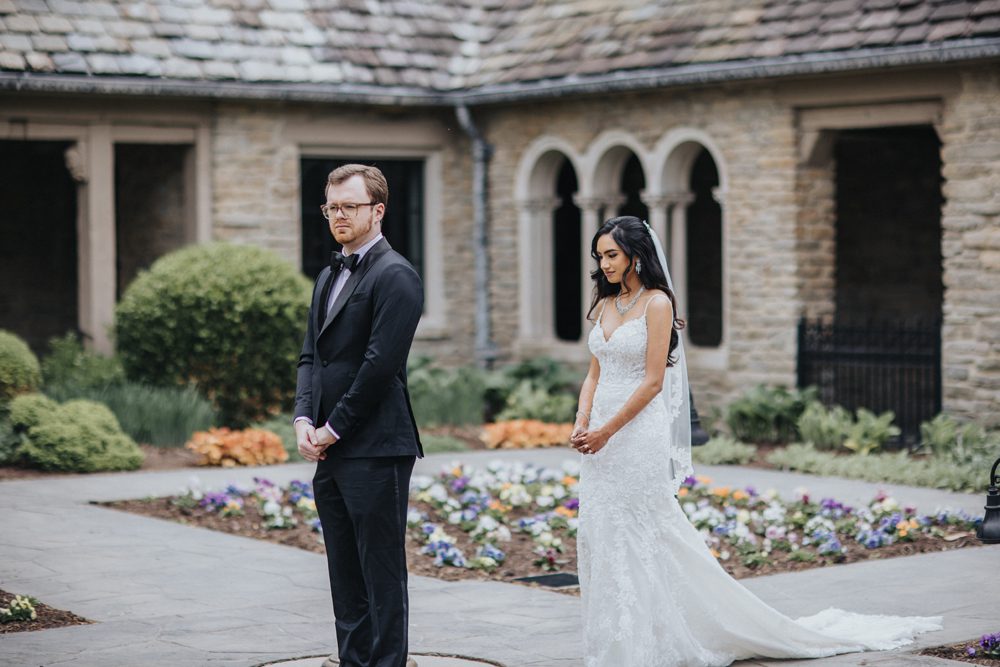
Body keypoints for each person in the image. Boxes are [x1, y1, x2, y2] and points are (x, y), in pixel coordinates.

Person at [569, 216, 941, 667]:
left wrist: (608, 431)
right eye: (600, 256)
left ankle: (656, 641)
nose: (604, 263)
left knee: (644, 533)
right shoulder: (606, 304)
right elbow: (594, 373)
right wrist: (583, 421)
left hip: (633, 434)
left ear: (635, 254)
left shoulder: (657, 304)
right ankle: (618, 640)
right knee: (603, 532)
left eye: (611, 254)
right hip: (598, 437)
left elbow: (651, 383)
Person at [294, 164, 423, 667]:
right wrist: (304, 419)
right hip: (328, 445)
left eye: (349, 206)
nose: (338, 215)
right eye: (332, 206)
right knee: (344, 570)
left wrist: (332, 427)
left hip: (378, 445)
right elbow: (312, 355)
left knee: (382, 571)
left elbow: (378, 367)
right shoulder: (328, 274)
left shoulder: (397, 276)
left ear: (378, 210)